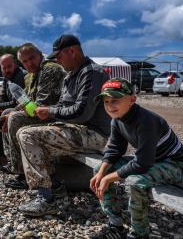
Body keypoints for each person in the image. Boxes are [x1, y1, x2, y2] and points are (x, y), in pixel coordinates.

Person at [15, 34, 111, 216]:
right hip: (75, 128)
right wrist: (47, 110)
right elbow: (63, 106)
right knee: (24, 131)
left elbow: (82, 112)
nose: (57, 61)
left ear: (72, 52)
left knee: (28, 136)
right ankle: (54, 185)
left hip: (93, 133)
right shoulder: (71, 76)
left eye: (59, 56)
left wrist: (50, 112)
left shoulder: (92, 72)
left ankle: (45, 198)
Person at [90, 78, 183, 239]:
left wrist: (109, 178)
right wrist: (102, 172)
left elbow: (142, 163)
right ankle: (115, 225)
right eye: (106, 101)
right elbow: (115, 149)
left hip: (174, 164)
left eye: (115, 100)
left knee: (135, 182)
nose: (109, 105)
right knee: (99, 170)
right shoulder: (117, 119)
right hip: (151, 161)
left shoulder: (146, 121)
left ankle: (139, 233)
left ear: (132, 100)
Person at [2, 43, 65, 188]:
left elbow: (41, 105)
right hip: (42, 112)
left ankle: (23, 174)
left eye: (32, 58)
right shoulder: (31, 75)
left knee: (15, 118)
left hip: (54, 115)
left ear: (40, 55)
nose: (29, 63)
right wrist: (11, 111)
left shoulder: (50, 69)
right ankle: (13, 163)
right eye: (24, 61)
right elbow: (27, 101)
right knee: (7, 113)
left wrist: (14, 113)